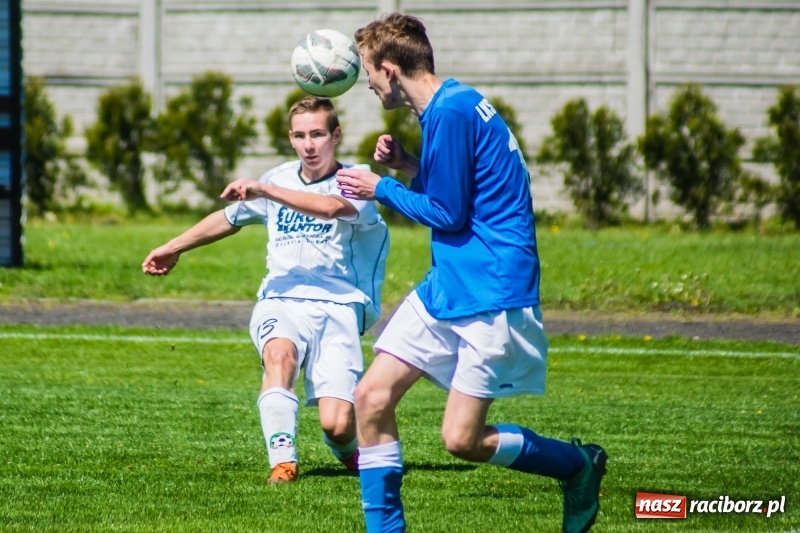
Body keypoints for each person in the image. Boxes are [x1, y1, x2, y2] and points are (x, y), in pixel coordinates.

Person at [336, 13, 606, 533]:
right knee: (370, 398)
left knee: (462, 440)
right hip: (451, 283)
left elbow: (449, 213)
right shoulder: (451, 103)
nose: (366, 83)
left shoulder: (452, 112)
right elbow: (470, 188)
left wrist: (379, 187)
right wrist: (410, 165)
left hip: (491, 288)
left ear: (390, 70)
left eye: (368, 72)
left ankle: (577, 465)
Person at [142, 96, 389, 484]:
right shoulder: (278, 178)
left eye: (319, 134)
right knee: (280, 357)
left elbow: (327, 208)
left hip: (338, 306)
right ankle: (283, 461)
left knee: (337, 424)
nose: (310, 145)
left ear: (336, 135)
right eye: (301, 135)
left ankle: (347, 450)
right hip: (281, 298)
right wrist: (173, 247)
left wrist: (265, 192)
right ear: (291, 139)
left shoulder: (357, 179)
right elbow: (229, 218)